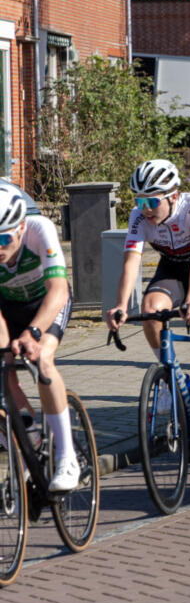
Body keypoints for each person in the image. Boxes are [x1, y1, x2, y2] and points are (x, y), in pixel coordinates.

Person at [106, 160, 190, 473]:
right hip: (172, 269)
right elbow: (130, 263)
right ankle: (171, 380)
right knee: (150, 311)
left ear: (173, 195)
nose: (145, 208)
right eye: (139, 201)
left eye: (152, 201)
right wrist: (121, 305)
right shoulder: (139, 216)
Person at [0, 184, 78, 490]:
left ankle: (67, 456)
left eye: (4, 238)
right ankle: (31, 439)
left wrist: (33, 332)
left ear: (20, 228)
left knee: (42, 359)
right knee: (4, 373)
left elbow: (58, 289)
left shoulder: (39, 230)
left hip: (45, 303)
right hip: (7, 306)